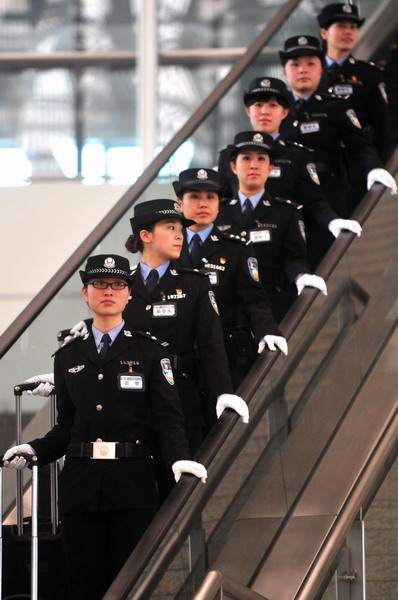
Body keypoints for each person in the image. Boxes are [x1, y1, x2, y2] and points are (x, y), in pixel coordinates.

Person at [3, 254, 207, 600]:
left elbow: (168, 419)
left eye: (118, 285)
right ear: (85, 293)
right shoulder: (68, 357)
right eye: (99, 284)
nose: (108, 291)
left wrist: (178, 459)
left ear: (129, 294)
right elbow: (67, 427)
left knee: (131, 584)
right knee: (83, 585)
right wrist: (35, 449)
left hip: (132, 486)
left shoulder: (150, 352)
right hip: (81, 487)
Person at [217, 75, 362, 268]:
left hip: (284, 248)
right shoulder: (228, 156)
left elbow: (315, 201)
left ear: (285, 112)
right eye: (258, 105)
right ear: (247, 110)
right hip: (239, 249)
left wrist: (333, 222)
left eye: (272, 105)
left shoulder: (297, 155)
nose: (264, 112)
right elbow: (219, 203)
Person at [173, 167, 288, 389]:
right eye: (194, 196)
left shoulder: (236, 248)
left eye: (210, 197)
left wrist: (267, 330)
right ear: (179, 202)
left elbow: (254, 298)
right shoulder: (166, 248)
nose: (203, 203)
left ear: (218, 203)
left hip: (226, 355)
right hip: (178, 358)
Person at [279, 35, 397, 224]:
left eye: (311, 64)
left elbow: (360, 147)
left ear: (321, 68)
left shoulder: (336, 107)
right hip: (283, 197)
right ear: (284, 71)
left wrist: (374, 168)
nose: (303, 70)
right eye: (295, 64)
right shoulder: (273, 108)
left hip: (327, 195)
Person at [215, 130, 327, 323]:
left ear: (270, 167)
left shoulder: (287, 212)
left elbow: (294, 258)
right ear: (233, 166)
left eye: (261, 158)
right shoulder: (217, 212)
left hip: (270, 307)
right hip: (225, 310)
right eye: (246, 158)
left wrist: (301, 275)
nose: (253, 165)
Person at [317, 3, 392, 212]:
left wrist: (381, 168)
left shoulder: (368, 74)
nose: (348, 31)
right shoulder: (309, 74)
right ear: (324, 32)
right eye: (341, 26)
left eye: (353, 27)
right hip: (320, 166)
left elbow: (382, 128)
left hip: (356, 166)